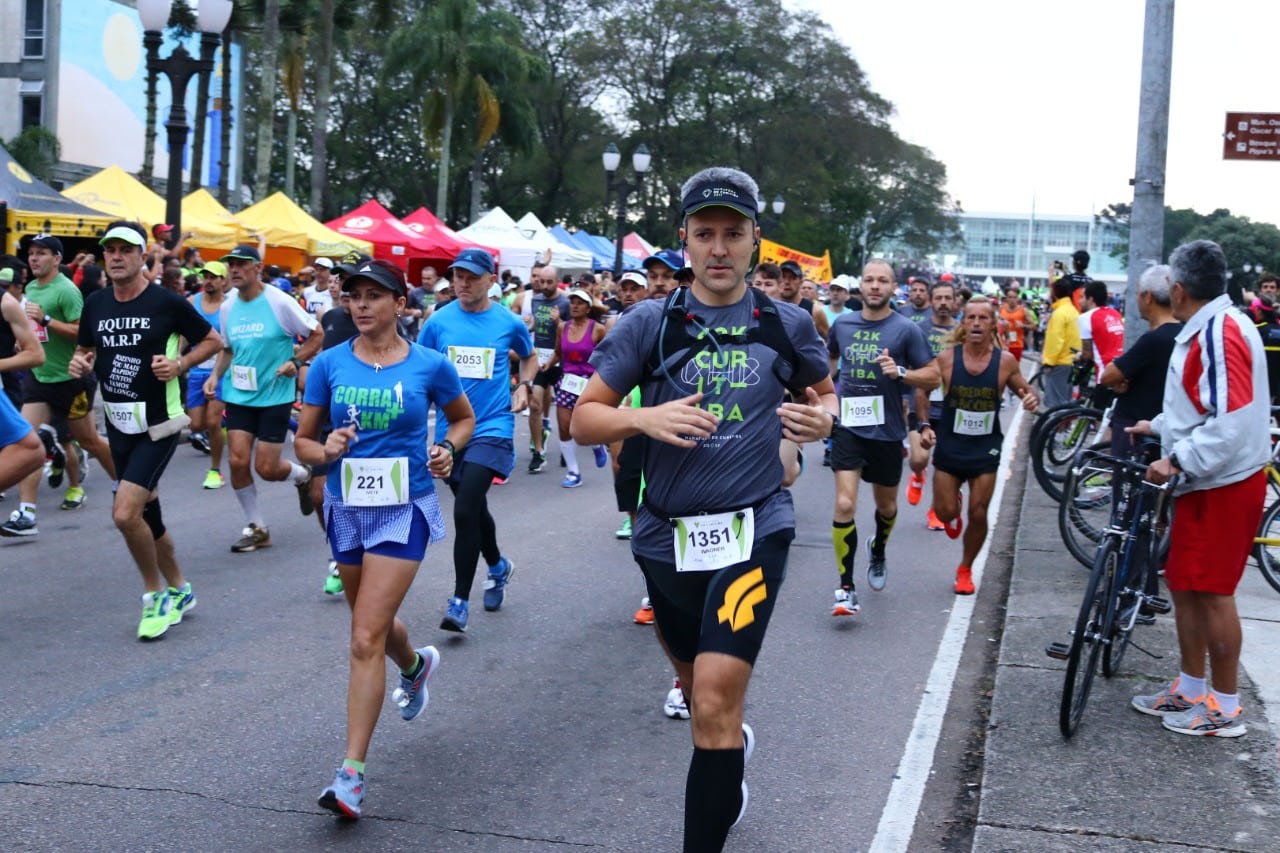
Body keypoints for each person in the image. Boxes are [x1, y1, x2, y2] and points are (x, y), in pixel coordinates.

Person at [572, 167, 837, 851]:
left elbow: (826, 394)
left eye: (734, 233)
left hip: (755, 528)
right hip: (664, 535)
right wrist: (645, 418)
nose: (719, 248)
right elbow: (584, 420)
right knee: (699, 693)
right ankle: (727, 762)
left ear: (754, 240)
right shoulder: (648, 324)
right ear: (685, 240)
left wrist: (823, 422)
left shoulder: (787, 324)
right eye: (705, 233)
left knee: (716, 698)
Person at [296, 258, 474, 819]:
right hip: (348, 509)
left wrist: (447, 449)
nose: (362, 305)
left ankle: (351, 775)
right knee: (369, 627)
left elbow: (462, 418)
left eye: (375, 296)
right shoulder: (327, 365)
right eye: (354, 296)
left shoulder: (429, 364)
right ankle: (416, 666)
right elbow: (303, 441)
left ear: (401, 304)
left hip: (405, 509)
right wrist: (324, 452)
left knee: (362, 638)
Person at [1128, 240, 1270, 738]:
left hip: (1225, 480)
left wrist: (1177, 457)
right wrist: (1160, 426)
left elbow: (1228, 422)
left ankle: (1225, 706)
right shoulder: (1212, 326)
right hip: (1208, 478)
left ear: (1179, 290)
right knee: (1185, 584)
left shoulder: (1220, 331)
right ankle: (1190, 688)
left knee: (1211, 592)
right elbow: (1201, 407)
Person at [68, 222, 223, 639]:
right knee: (148, 515)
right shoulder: (96, 302)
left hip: (160, 422)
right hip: (118, 423)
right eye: (110, 250)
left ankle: (154, 594)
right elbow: (86, 349)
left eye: (125, 250)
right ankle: (181, 588)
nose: (116, 256)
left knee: (124, 513)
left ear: (142, 256)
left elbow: (213, 340)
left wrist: (180, 365)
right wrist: (80, 363)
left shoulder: (166, 303)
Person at [417, 248, 537, 632]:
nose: (462, 283)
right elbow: (420, 367)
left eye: (471, 276)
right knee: (473, 505)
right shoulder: (438, 321)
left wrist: (524, 385)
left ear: (490, 280)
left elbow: (529, 357)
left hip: (493, 427)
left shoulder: (508, 321)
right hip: (452, 432)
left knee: (466, 507)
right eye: (457, 276)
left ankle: (458, 602)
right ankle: (498, 566)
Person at [827, 259, 938, 615]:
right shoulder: (843, 325)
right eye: (869, 280)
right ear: (861, 286)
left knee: (886, 507)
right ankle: (846, 587)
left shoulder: (906, 330)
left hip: (887, 431)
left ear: (893, 288)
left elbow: (933, 376)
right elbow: (827, 365)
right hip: (847, 428)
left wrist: (901, 372)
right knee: (845, 505)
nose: (875, 286)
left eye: (883, 281)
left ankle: (878, 550)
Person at [204, 244, 323, 552]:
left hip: (274, 395)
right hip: (239, 394)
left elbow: (317, 334)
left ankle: (301, 475)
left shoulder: (279, 302)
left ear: (257, 268)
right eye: (231, 264)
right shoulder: (228, 306)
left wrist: (295, 363)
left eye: (242, 264)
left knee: (267, 469)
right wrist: (215, 376)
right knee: (237, 461)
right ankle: (257, 527)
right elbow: (228, 349)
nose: (234, 269)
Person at [1, 234, 118, 536]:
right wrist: (21, 341)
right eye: (31, 253)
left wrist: (47, 319)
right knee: (26, 443)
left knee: (89, 441)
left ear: (56, 259)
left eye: (42, 253)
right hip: (40, 379)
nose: (34, 258)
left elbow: (84, 334)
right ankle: (26, 514)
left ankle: (126, 486)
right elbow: (31, 330)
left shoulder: (67, 290)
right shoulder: (28, 289)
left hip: (72, 378)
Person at [928, 296, 1038, 594]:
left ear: (993, 324)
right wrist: (923, 424)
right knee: (946, 513)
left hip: (985, 446)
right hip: (951, 443)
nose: (977, 323)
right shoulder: (948, 358)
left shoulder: (1005, 362)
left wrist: (1030, 399)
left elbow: (1027, 393)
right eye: (971, 318)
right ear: (963, 324)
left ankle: (965, 569)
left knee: (979, 513)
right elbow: (923, 386)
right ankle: (954, 502)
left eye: (983, 318)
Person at [1100, 265, 1182, 458]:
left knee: (1126, 484)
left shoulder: (1153, 340)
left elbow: (1108, 376)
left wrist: (1119, 378)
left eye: (1136, 294)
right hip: (1168, 427)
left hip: (1137, 427)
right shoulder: (1185, 333)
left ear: (1148, 297)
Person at [905, 280, 958, 529]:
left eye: (948, 298)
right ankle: (917, 475)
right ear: (932, 300)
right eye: (939, 298)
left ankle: (936, 511)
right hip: (921, 403)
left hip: (950, 407)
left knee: (945, 465)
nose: (944, 303)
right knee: (918, 458)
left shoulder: (962, 332)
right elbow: (910, 370)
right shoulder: (918, 330)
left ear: (955, 301)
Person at [545, 287, 608, 486]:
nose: (575, 306)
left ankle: (597, 445)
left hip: (591, 383)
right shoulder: (563, 327)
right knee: (564, 427)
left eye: (580, 302)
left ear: (588, 307)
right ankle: (574, 473)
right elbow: (558, 351)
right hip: (568, 382)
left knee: (588, 425)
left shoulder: (597, 329)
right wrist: (548, 363)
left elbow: (608, 356)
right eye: (572, 302)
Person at [185, 261, 229, 488]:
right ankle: (227, 420)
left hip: (220, 371)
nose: (208, 281)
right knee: (195, 425)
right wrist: (176, 358)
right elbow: (183, 333)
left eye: (214, 277)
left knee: (211, 423)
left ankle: (215, 470)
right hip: (196, 369)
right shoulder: (193, 302)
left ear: (223, 280)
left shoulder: (230, 306)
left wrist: (217, 371)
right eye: (206, 277)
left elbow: (230, 343)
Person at [522, 264, 568, 473]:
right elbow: (536, 325)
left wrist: (560, 322)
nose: (546, 286)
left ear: (557, 281)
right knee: (534, 404)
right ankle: (538, 452)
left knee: (566, 410)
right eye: (542, 282)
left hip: (559, 359)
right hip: (539, 358)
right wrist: (527, 325)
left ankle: (569, 447)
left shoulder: (565, 302)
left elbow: (572, 330)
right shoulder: (535, 299)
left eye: (550, 282)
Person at [1040, 276, 1081, 409]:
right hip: (1071, 361)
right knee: (1065, 400)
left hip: (1060, 362)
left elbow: (1055, 341)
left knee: (1055, 403)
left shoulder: (1059, 314)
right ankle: (1063, 428)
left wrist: (1048, 362)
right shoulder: (1073, 311)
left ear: (1055, 293)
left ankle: (1056, 429)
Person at [1077, 280, 1124, 382]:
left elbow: (1087, 354)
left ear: (1090, 299)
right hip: (1122, 370)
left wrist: (1079, 356)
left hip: (1106, 374)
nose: (1079, 301)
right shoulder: (1115, 313)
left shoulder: (1086, 317)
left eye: (1082, 297)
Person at [997, 286, 1033, 365]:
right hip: (1003, 344)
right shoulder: (1001, 309)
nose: (1012, 300)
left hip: (1017, 345)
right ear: (1006, 298)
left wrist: (1023, 325)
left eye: (1014, 297)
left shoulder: (1023, 310)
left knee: (1014, 369)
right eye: (1010, 297)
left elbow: (1033, 326)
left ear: (1017, 299)